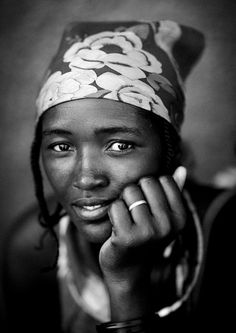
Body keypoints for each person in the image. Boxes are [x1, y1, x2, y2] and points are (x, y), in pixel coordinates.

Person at [2, 20, 235, 333]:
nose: (86, 178)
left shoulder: (224, 229)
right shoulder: (34, 250)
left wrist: (127, 282)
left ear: (170, 153)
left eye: (120, 145)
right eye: (61, 146)